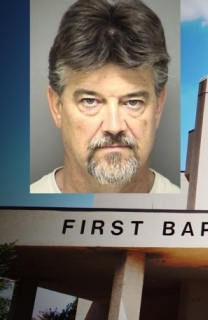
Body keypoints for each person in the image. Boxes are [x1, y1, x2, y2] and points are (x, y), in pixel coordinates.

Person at [30, 0, 179, 193]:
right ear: (57, 106)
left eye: (133, 102)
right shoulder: (11, 216)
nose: (114, 126)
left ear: (158, 107)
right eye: (89, 101)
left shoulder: (195, 212)